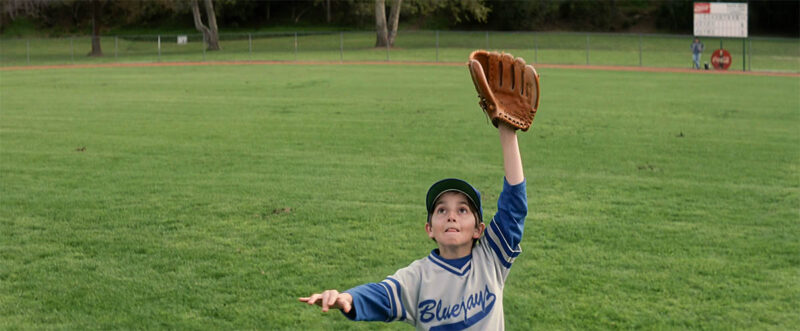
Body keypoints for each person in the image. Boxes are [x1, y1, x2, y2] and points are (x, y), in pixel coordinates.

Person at [299, 122, 528, 330]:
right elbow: (382, 294)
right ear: (429, 229)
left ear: (479, 229)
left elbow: (514, 207)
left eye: (462, 210)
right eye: (441, 210)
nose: (451, 216)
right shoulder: (418, 278)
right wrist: (347, 298)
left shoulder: (490, 260)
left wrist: (507, 133)